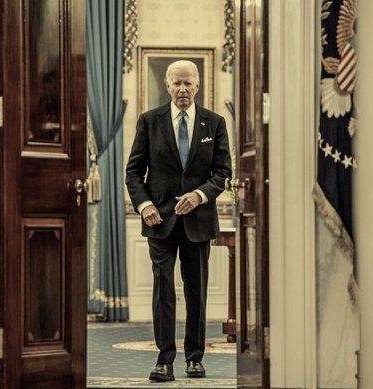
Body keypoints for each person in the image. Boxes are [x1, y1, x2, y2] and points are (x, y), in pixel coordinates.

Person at [126, 60, 232, 382]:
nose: (183, 89)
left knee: (196, 291)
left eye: (188, 83)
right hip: (159, 221)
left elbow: (223, 173)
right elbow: (133, 172)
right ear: (167, 86)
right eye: (177, 84)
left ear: (197, 86)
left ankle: (195, 359)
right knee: (163, 291)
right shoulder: (149, 121)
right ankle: (164, 360)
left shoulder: (214, 123)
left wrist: (199, 195)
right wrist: (144, 206)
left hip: (198, 221)